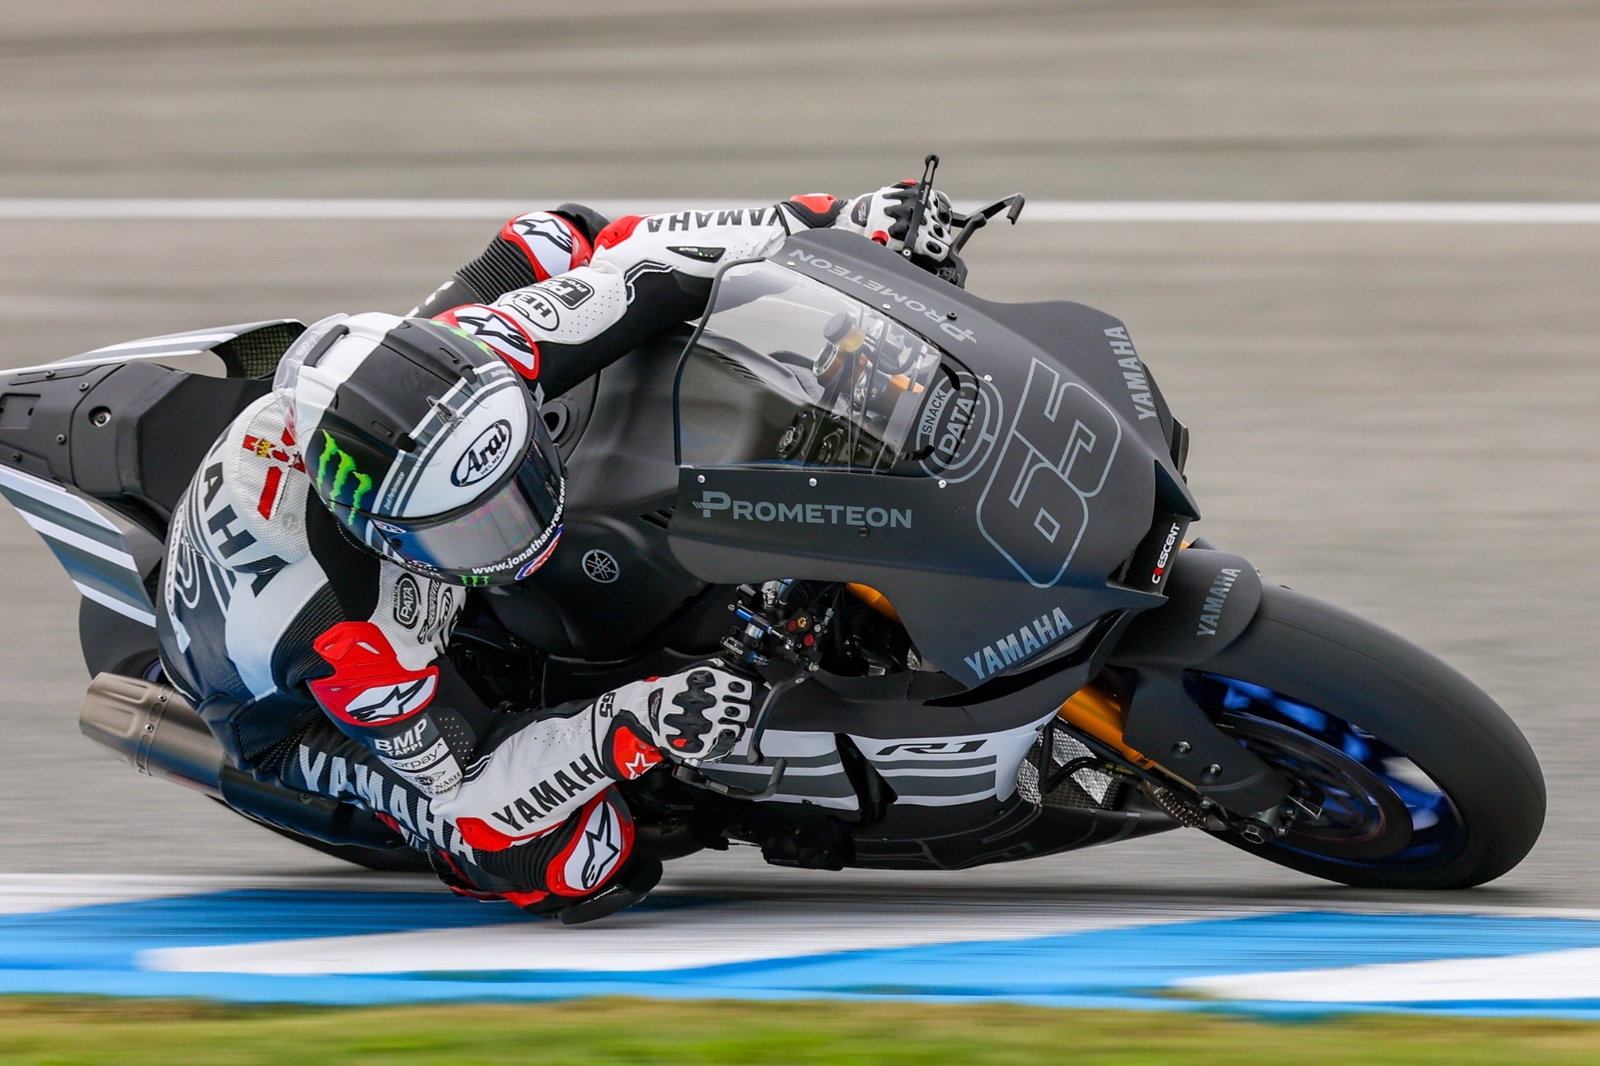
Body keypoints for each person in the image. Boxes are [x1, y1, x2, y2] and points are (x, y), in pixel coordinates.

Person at [155, 183, 956, 920]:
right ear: (384, 532)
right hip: (286, 716)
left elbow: (652, 258)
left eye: (521, 482)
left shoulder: (487, 354)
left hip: (409, 434)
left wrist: (837, 220)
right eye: (475, 527)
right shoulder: (358, 637)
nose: (525, 530)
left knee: (550, 238)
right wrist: (632, 722)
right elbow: (467, 790)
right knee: (562, 857)